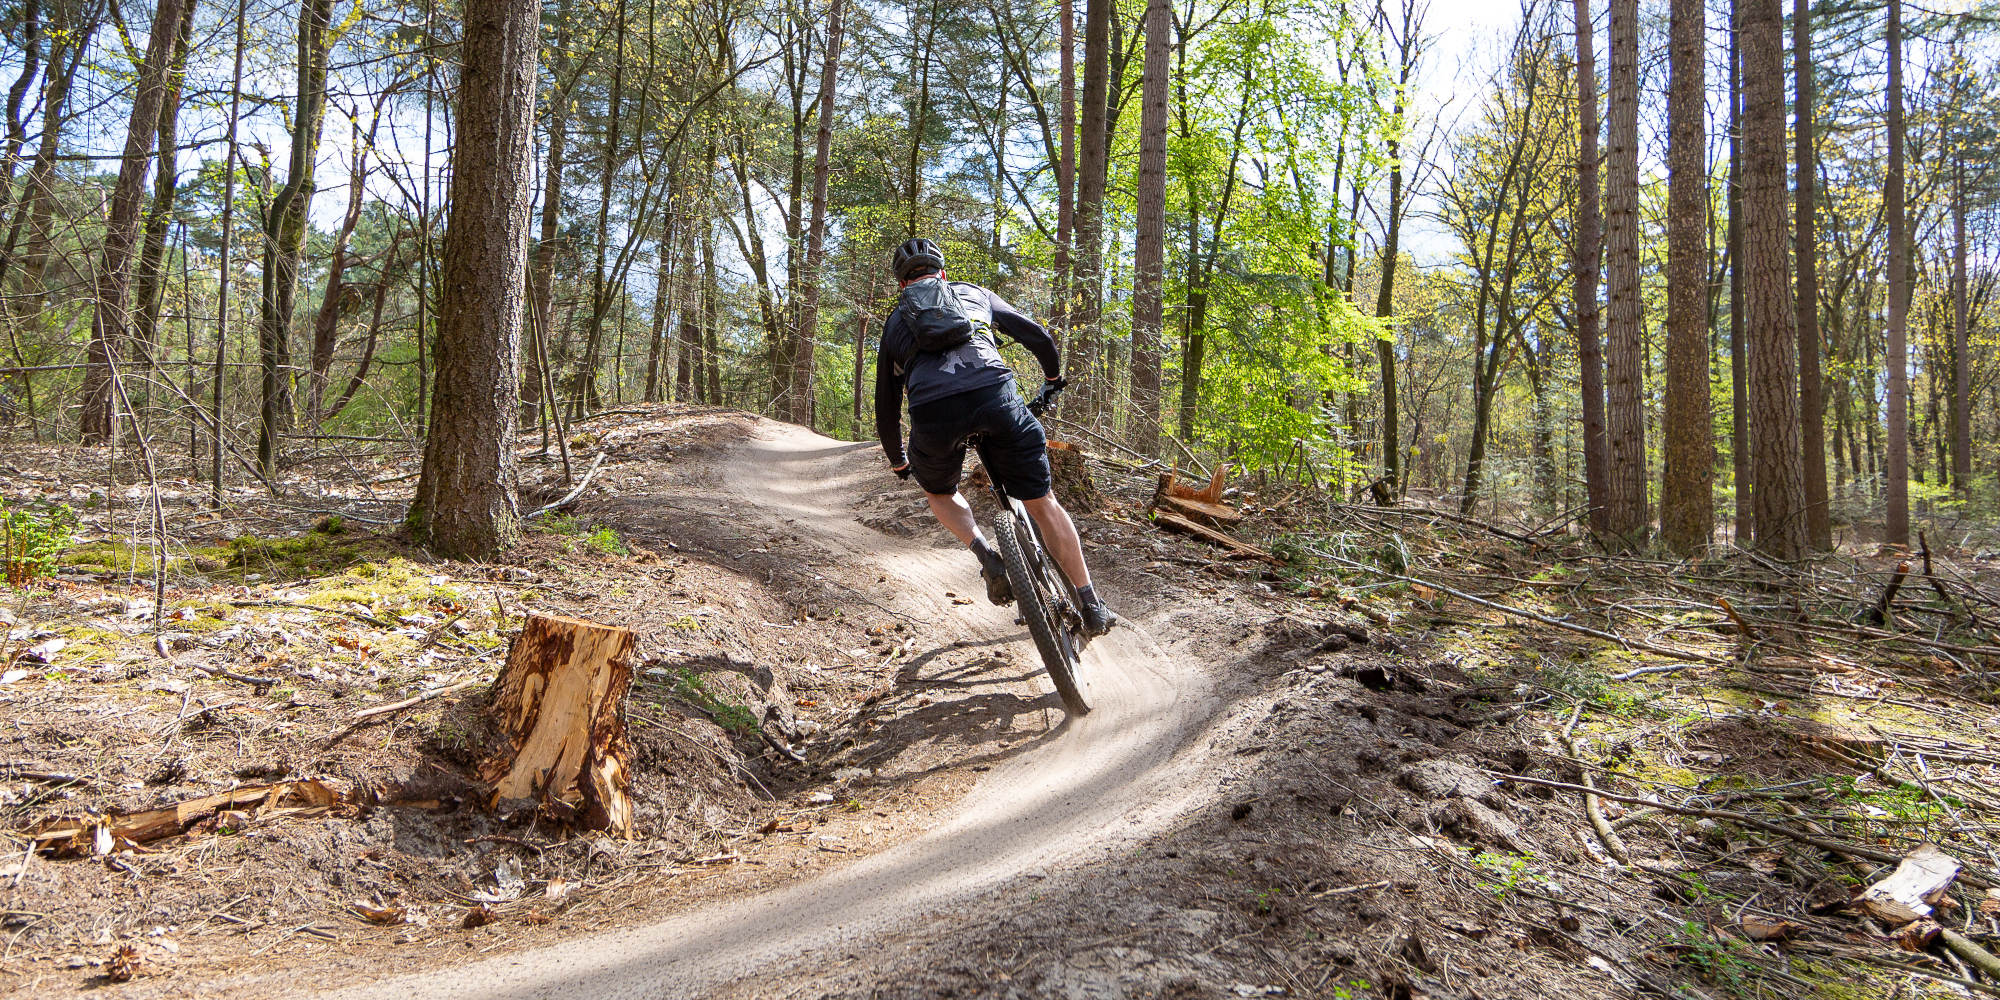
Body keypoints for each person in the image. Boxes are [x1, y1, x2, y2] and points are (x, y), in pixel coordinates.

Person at [874, 237, 1118, 638]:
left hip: (934, 415)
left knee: (939, 491)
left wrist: (899, 458)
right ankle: (1091, 603)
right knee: (1044, 503)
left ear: (902, 285)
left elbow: (886, 402)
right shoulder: (973, 293)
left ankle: (987, 555)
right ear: (944, 274)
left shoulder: (896, 321)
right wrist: (1052, 380)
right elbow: (1036, 335)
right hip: (995, 396)